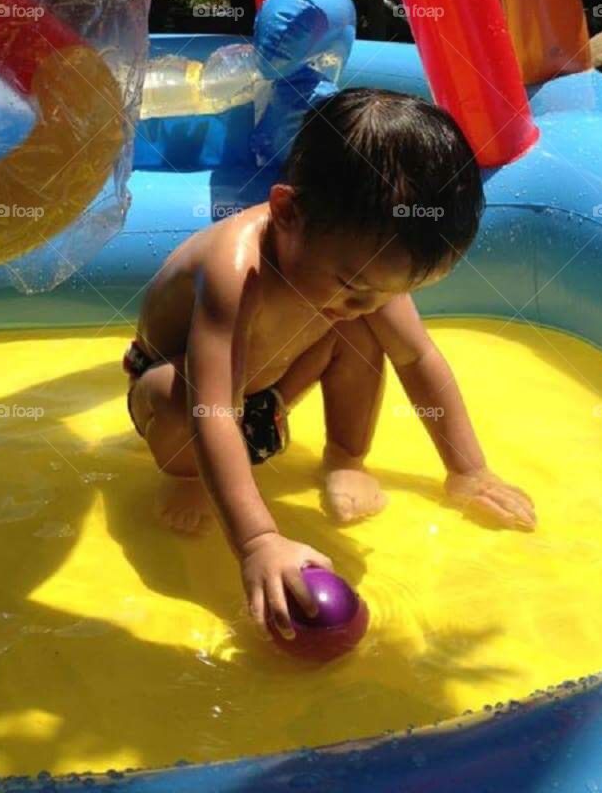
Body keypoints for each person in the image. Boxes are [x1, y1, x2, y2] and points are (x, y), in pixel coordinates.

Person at [124, 88, 536, 639]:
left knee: (363, 332)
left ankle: (346, 457)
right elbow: (214, 410)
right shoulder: (234, 270)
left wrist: (467, 469)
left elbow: (417, 358)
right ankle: (188, 475)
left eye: (385, 292)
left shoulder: (357, 270)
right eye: (353, 285)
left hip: (269, 387)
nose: (367, 302)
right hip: (185, 394)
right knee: (176, 396)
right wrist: (257, 542)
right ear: (287, 211)